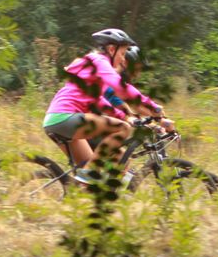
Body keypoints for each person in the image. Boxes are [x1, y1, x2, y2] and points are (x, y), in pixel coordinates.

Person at [42, 29, 166, 181]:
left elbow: (101, 103)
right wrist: (152, 107)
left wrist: (125, 116)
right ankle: (89, 174)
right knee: (121, 129)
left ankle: (81, 194)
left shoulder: (91, 67)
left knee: (92, 181)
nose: (122, 59)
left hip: (55, 120)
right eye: (122, 53)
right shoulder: (98, 61)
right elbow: (120, 87)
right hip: (66, 117)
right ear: (111, 49)